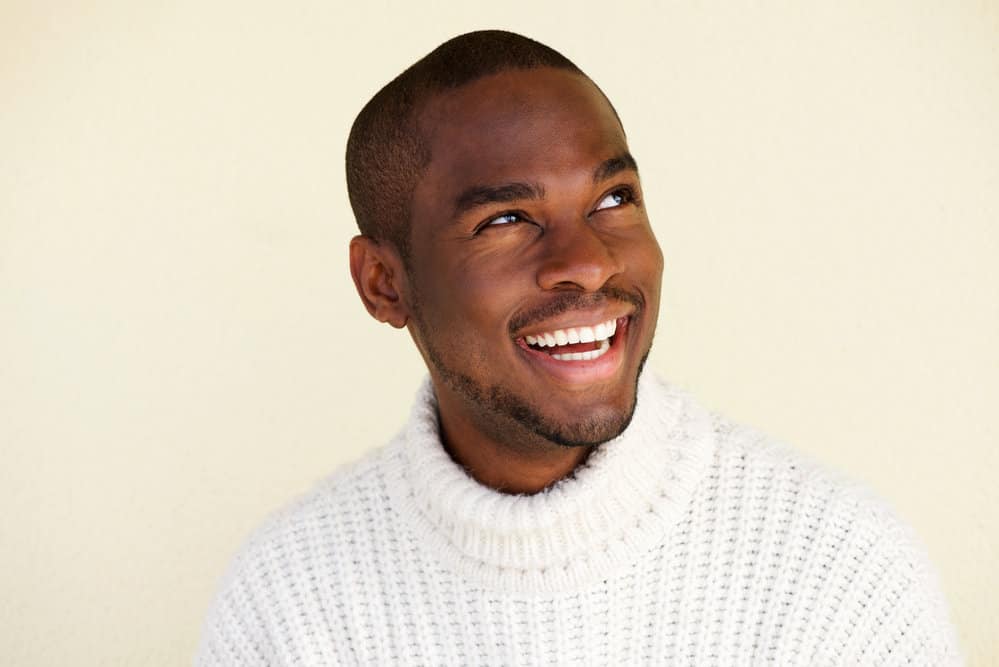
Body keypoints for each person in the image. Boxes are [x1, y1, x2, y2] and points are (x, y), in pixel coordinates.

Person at [195, 30, 962, 665]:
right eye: (505, 220)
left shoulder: (839, 573)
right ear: (383, 284)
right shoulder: (288, 605)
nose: (589, 260)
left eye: (612, 199)